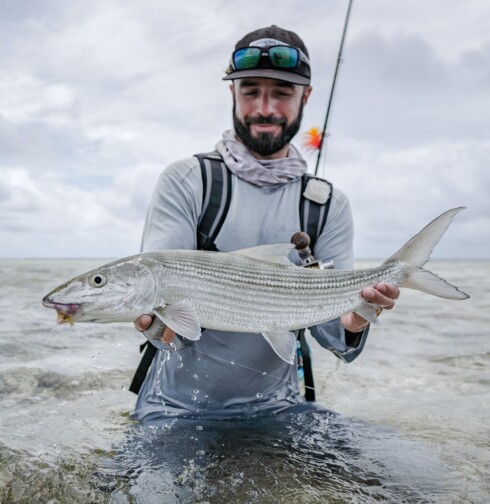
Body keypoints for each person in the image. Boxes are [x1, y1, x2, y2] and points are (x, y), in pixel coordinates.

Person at [132, 25, 399, 423]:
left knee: (413, 480)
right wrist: (154, 324)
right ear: (232, 94)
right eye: (251, 90)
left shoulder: (326, 204)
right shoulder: (188, 181)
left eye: (282, 92)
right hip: (174, 407)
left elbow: (338, 340)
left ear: (305, 96)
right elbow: (163, 328)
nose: (265, 109)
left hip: (282, 408)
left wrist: (358, 315)